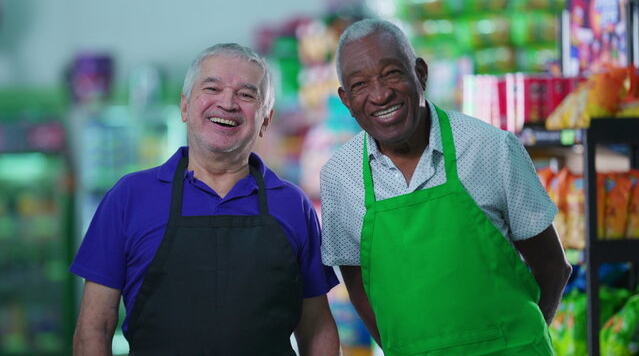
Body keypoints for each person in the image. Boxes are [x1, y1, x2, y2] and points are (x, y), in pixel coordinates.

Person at [320, 19, 573, 356]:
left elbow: (553, 266)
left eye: (392, 73)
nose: (380, 95)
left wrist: (517, 341)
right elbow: (360, 288)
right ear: (346, 100)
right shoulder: (339, 177)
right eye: (360, 84)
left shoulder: (491, 148)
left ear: (420, 73)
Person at [71, 43, 340, 356]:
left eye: (247, 94)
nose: (227, 103)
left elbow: (316, 327)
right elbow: (95, 326)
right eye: (212, 87)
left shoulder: (293, 205)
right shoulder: (128, 198)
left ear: (265, 120)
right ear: (185, 107)